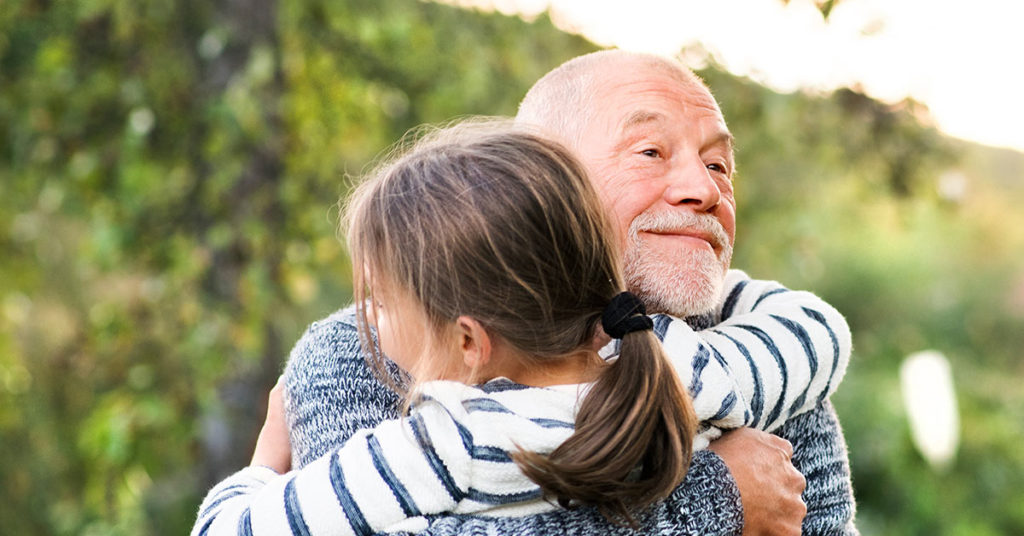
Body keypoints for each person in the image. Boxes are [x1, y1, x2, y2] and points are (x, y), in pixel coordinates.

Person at [281, 51, 858, 535]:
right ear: (540, 174)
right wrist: (714, 502)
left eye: (719, 164)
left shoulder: (761, 353)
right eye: (651, 152)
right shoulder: (374, 346)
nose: (704, 190)